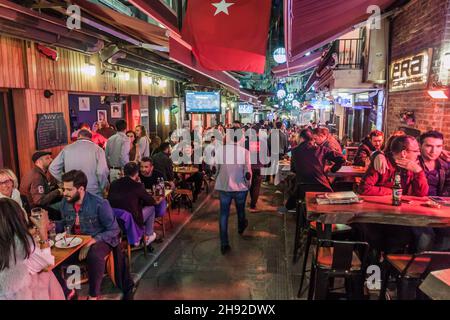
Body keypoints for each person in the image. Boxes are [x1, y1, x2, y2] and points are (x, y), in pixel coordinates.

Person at [54, 170, 134, 300]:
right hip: (75, 242)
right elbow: (65, 223)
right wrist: (53, 226)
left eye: (69, 189)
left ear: (80, 189)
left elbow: (114, 230)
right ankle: (68, 292)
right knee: (50, 260)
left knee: (94, 254)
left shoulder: (100, 203)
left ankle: (93, 295)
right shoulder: (65, 203)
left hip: (100, 240)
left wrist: (92, 241)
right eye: (64, 189)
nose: (64, 193)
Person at [372, 131, 450, 251]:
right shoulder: (410, 161)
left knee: (446, 236)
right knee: (425, 237)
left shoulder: (445, 165)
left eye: (438, 146)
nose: (434, 151)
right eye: (429, 146)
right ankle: (417, 267)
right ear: (420, 146)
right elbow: (391, 154)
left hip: (438, 209)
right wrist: (377, 154)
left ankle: (434, 267)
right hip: (414, 209)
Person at [356, 135, 429, 256]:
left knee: (420, 236)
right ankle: (379, 268)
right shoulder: (383, 162)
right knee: (385, 238)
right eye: (416, 151)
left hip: (400, 215)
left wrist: (419, 172)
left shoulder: (413, 166)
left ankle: (400, 270)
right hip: (376, 215)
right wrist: (394, 191)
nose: (419, 154)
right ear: (404, 153)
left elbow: (420, 195)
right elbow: (364, 189)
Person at [0, 199, 65, 300]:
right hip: (19, 294)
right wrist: (42, 229)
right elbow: (45, 263)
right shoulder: (20, 243)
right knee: (47, 274)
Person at [213, 128, 252, 255]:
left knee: (224, 215)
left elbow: (215, 169)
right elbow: (248, 172)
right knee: (240, 210)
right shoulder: (245, 152)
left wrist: (216, 180)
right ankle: (241, 227)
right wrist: (248, 185)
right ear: (241, 138)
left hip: (224, 188)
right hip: (240, 187)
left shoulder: (220, 151)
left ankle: (224, 244)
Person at [108, 162, 161, 247]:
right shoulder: (137, 186)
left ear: (123, 172)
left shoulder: (113, 184)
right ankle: (148, 235)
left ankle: (137, 236)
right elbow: (151, 201)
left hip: (115, 220)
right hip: (131, 220)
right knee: (151, 208)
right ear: (137, 173)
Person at [49, 129, 109, 197]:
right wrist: (103, 187)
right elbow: (101, 172)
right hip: (92, 191)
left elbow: (53, 168)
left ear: (78, 136)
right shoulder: (98, 150)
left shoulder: (67, 149)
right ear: (90, 137)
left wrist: (66, 180)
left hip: (72, 190)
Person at [19, 151, 62, 220]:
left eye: (50, 158)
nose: (51, 160)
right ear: (39, 162)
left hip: (32, 207)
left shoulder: (34, 172)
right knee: (65, 204)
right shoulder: (37, 177)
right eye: (47, 158)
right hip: (36, 210)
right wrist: (58, 191)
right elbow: (39, 201)